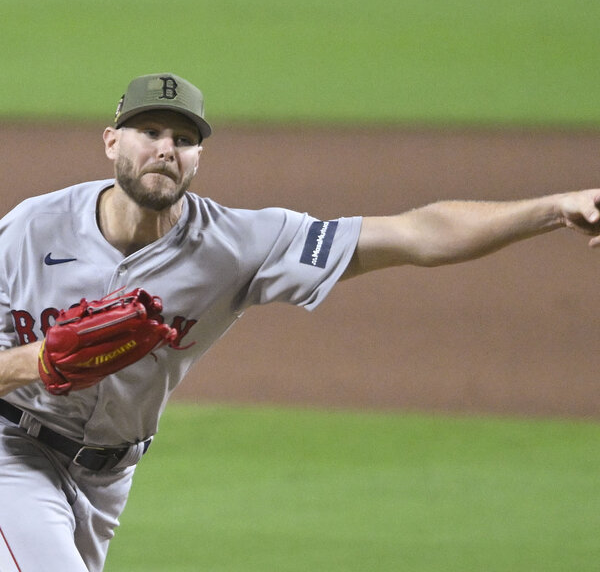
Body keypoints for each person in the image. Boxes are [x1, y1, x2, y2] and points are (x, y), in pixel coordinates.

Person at [0, 72, 599, 571]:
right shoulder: (31, 229)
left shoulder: (236, 245)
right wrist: (39, 361)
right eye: (149, 131)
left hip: (107, 479)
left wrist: (553, 209)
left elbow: (418, 233)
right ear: (111, 142)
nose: (165, 147)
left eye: (183, 138)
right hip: (14, 449)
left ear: (199, 157)